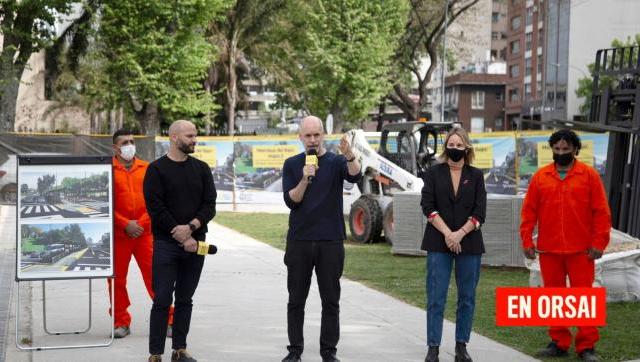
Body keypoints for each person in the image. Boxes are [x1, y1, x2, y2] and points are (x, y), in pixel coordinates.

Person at [520, 129, 611, 362]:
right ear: (552, 149)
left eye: (565, 149)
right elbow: (528, 213)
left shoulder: (589, 176)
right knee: (553, 297)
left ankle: (587, 346)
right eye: (557, 149)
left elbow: (601, 213)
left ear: (575, 150)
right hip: (549, 250)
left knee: (584, 299)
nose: (561, 153)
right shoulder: (540, 177)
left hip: (582, 250)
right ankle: (559, 342)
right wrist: (527, 241)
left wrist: (599, 243)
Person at [281, 116, 361, 362]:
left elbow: (355, 176)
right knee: (296, 300)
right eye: (308, 135)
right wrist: (305, 178)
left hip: (330, 241)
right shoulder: (292, 164)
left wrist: (349, 155)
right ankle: (295, 350)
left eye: (317, 135)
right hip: (300, 241)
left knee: (331, 300)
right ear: (300, 137)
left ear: (323, 135)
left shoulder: (337, 162)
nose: (313, 140)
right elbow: (291, 201)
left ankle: (328, 351)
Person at [143, 120, 217, 362]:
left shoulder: (202, 169)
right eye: (189, 136)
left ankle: (179, 350)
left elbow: (209, 205)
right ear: (174, 138)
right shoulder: (156, 170)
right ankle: (155, 353)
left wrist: (192, 229)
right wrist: (178, 231)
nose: (194, 140)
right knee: (162, 299)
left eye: (195, 135)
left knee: (185, 298)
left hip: (196, 244)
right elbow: (156, 208)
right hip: (166, 245)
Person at [420, 127, 486, 362]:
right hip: (439, 242)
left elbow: (480, 212)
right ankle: (433, 348)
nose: (455, 149)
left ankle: (461, 347)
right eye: (452, 144)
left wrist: (459, 234)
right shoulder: (433, 173)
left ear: (466, 148)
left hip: (469, 244)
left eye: (459, 145)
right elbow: (427, 206)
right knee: (436, 297)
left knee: (467, 298)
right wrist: (449, 234)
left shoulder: (476, 175)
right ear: (446, 146)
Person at [109, 129, 174, 338]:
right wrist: (124, 223)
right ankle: (121, 322)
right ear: (115, 148)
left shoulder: (147, 169)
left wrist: (141, 223)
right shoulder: (107, 171)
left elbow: (158, 201)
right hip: (119, 235)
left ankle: (169, 320)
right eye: (124, 142)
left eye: (132, 141)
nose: (129, 145)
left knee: (157, 278)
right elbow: (102, 204)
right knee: (116, 280)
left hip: (145, 234)